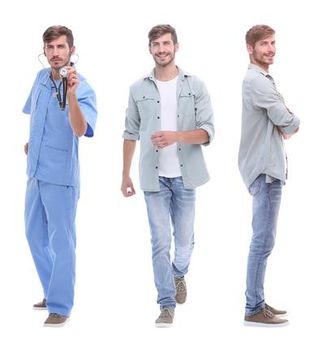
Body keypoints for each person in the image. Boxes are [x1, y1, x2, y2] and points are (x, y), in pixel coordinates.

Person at [120, 24, 215, 327]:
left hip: (186, 178)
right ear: (150, 48)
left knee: (184, 241)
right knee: (160, 240)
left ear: (176, 46)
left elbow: (207, 132)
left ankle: (179, 273)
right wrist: (125, 174)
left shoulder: (195, 85)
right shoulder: (138, 88)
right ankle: (166, 304)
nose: (161, 49)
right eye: (156, 44)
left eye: (166, 43)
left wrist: (176, 136)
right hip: (153, 178)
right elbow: (129, 132)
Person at [24, 24, 98, 328]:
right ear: (44, 51)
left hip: (61, 177)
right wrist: (33, 142)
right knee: (34, 235)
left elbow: (81, 130)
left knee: (62, 241)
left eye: (61, 47)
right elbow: (37, 115)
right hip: (36, 171)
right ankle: (51, 290)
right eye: (50, 47)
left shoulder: (83, 87)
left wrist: (72, 96)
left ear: (72, 51)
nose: (55, 53)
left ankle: (60, 304)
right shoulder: (40, 79)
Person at [239, 24, 299, 327]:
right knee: (262, 241)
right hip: (265, 171)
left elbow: (280, 121)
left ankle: (257, 300)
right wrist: (290, 117)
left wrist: (283, 118)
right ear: (250, 48)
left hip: (266, 168)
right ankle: (253, 306)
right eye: (264, 44)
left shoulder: (261, 80)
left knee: (264, 239)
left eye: (273, 42)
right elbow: (288, 122)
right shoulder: (257, 82)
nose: (271, 49)